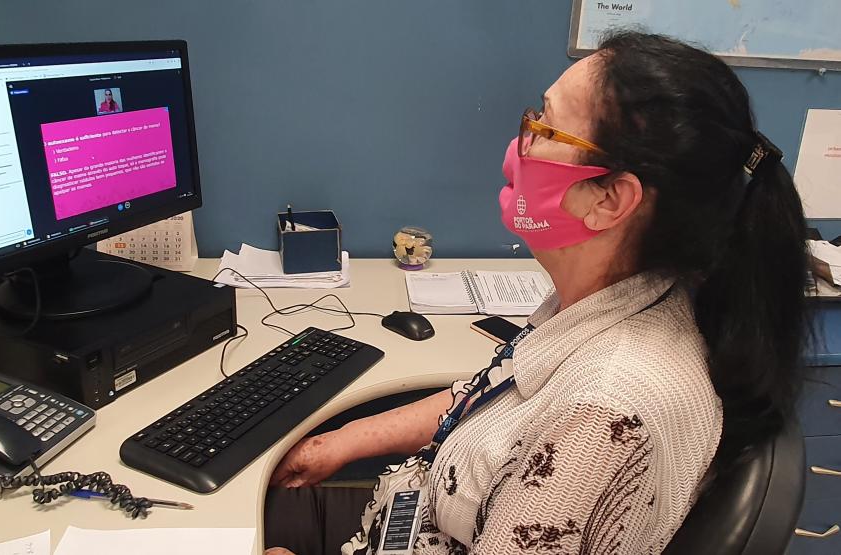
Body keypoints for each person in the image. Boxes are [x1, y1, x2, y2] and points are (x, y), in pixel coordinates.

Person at [264, 30, 810, 555]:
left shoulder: (603, 414)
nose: (521, 139)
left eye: (545, 125)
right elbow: (493, 398)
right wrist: (344, 440)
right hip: (412, 516)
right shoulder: (618, 299)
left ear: (610, 200)